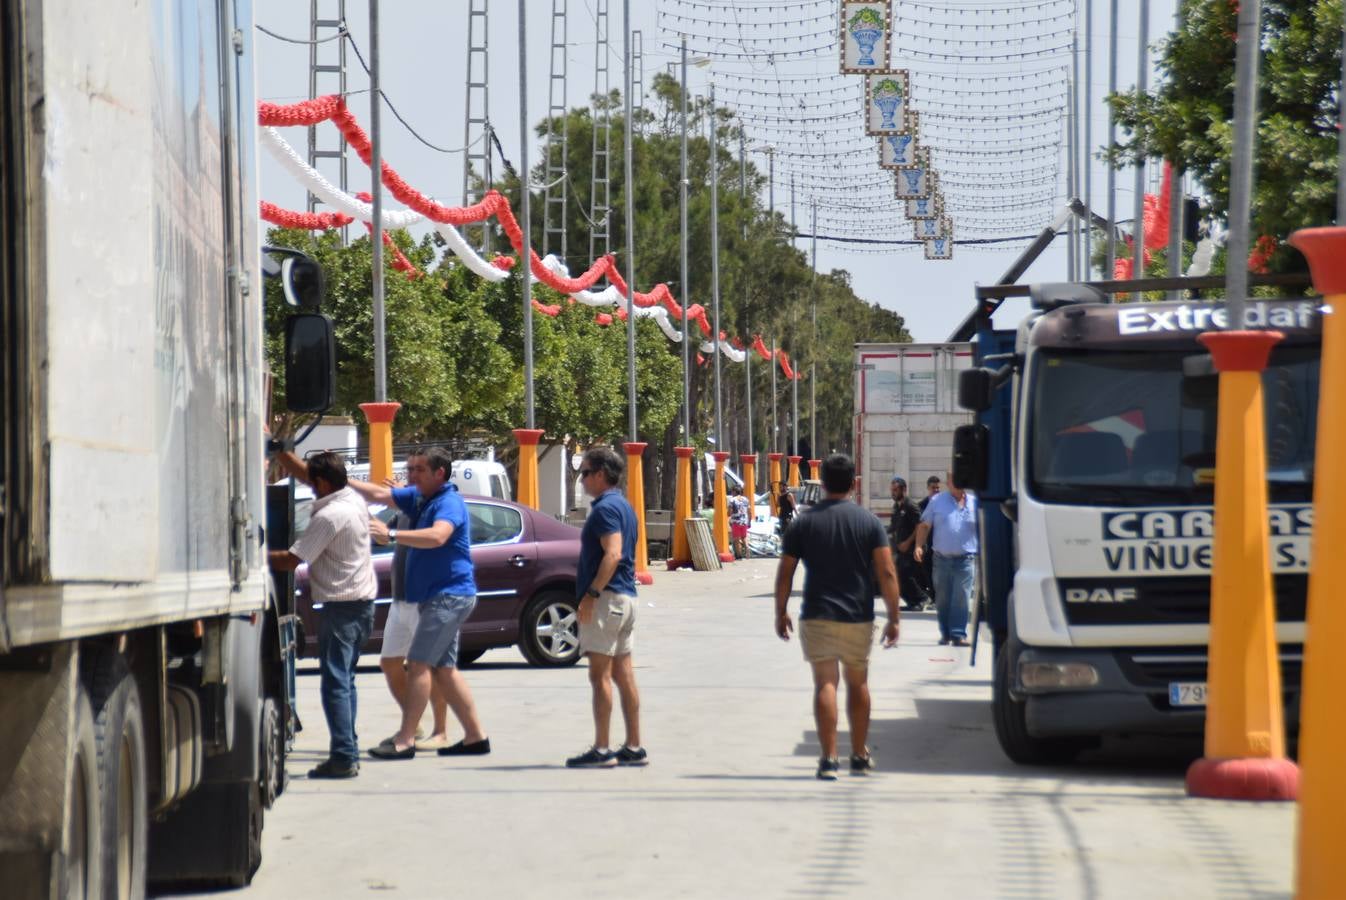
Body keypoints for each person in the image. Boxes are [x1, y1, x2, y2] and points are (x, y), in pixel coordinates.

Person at [351, 446, 491, 760]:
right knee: (445, 670)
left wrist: (392, 533)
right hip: (432, 597)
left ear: (439, 473)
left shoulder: (449, 502)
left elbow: (439, 536)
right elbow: (378, 493)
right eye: (410, 468)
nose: (411, 475)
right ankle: (475, 737)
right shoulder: (419, 498)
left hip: (448, 596)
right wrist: (341, 480)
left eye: (418, 470)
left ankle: (405, 740)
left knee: (418, 665)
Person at [773, 454, 901, 780]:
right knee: (858, 684)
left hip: (817, 614)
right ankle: (858, 755)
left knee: (825, 684)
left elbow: (785, 572)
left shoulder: (803, 523)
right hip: (858, 615)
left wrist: (781, 611)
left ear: (823, 484)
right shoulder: (869, 522)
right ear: (853, 484)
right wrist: (894, 617)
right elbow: (886, 572)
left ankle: (829, 758)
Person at [268, 450, 377, 780]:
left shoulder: (330, 516)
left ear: (324, 483)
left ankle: (344, 756)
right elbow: (307, 474)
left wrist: (249, 554)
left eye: (313, 484)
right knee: (345, 680)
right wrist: (281, 450)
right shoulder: (353, 500)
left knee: (335, 683)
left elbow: (291, 559)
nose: (310, 488)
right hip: (361, 605)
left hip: (343, 608)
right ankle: (349, 750)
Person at [567, 446, 648, 768]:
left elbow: (612, 554)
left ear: (601, 474)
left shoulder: (605, 510)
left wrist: (591, 595)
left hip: (609, 600)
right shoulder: (624, 506)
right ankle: (634, 745)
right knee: (623, 673)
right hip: (626, 599)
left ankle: (602, 749)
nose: (582, 479)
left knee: (599, 676)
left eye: (585, 472)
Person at [377, 509, 452, 751]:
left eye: (416, 469)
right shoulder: (403, 509)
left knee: (431, 667)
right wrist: (365, 516)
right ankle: (413, 725)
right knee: (390, 663)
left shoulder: (436, 507)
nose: (411, 475)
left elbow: (435, 539)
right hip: (400, 599)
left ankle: (440, 731)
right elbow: (383, 538)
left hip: (425, 598)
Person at [914, 472, 978, 647]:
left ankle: (958, 634)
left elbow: (983, 528)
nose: (958, 482)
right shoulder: (937, 501)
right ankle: (945, 632)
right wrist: (918, 546)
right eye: (954, 479)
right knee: (942, 598)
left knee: (962, 597)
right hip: (941, 560)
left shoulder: (974, 502)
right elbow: (924, 525)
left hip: (966, 560)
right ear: (948, 482)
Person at [888, 476, 930, 612]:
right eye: (892, 490)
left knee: (904, 574)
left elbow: (920, 525)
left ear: (904, 489)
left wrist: (908, 542)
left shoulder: (910, 505)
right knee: (898, 576)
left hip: (912, 548)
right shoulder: (896, 507)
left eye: (895, 490)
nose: (893, 492)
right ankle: (913, 603)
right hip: (900, 549)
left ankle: (922, 598)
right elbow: (893, 527)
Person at [917, 475, 941, 599]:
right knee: (928, 572)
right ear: (928, 488)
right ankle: (932, 597)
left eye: (938, 488)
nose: (936, 490)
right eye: (933, 488)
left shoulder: (943, 503)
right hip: (927, 544)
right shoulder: (922, 505)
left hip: (940, 544)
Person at [728, 484, 751, 559]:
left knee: (736, 539)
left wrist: (728, 513)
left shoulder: (732, 500)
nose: (731, 493)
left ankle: (739, 555)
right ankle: (747, 547)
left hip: (736, 521)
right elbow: (749, 511)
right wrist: (749, 521)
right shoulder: (746, 499)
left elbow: (730, 512)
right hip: (744, 521)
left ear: (734, 491)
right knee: (744, 537)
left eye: (732, 491)